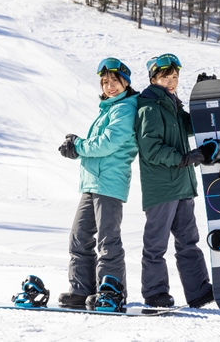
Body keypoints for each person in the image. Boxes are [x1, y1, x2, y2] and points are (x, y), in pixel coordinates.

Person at [57, 57, 139, 312]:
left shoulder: (125, 109)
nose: (110, 86)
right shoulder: (108, 109)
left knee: (107, 239)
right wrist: (77, 147)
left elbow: (107, 143)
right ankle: (83, 290)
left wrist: (78, 146)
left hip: (109, 184)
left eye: (114, 81)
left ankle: (111, 291)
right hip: (92, 183)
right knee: (79, 236)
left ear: (125, 82)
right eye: (105, 82)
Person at [134, 53, 215, 309]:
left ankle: (199, 291)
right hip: (162, 188)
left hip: (182, 185)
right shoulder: (149, 108)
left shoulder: (173, 105)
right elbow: (152, 149)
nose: (171, 81)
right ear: (154, 78)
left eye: (175, 76)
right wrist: (184, 158)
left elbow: (192, 126)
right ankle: (155, 292)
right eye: (165, 76)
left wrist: (203, 97)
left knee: (188, 242)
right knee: (156, 244)